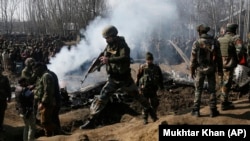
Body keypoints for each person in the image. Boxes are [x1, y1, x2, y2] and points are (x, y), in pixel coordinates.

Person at [79, 25, 157, 129]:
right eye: (105, 38)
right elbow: (105, 56)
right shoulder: (109, 46)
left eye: (108, 38)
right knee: (102, 98)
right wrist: (99, 64)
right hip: (113, 79)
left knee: (138, 97)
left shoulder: (123, 45)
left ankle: (153, 115)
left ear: (114, 36)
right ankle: (91, 121)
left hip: (125, 79)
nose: (106, 40)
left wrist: (109, 60)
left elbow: (125, 58)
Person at [190, 24, 223, 117]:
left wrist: (192, 70)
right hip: (212, 68)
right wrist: (220, 69)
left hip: (200, 69)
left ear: (200, 32)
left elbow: (193, 59)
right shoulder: (215, 42)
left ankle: (196, 110)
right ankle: (213, 110)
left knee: (198, 89)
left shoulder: (197, 43)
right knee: (212, 89)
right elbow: (219, 58)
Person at [218, 23, 243, 110]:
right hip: (229, 64)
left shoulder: (220, 39)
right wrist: (238, 59)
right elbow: (240, 50)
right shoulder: (235, 38)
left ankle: (223, 100)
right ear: (234, 30)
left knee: (222, 82)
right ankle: (224, 104)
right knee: (227, 83)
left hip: (220, 64)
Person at [135, 52, 164, 124]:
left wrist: (161, 87)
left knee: (155, 103)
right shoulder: (142, 67)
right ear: (146, 60)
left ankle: (154, 117)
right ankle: (145, 119)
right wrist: (137, 87)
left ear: (152, 60)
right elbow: (138, 77)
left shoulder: (156, 68)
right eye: (148, 59)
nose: (149, 61)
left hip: (153, 89)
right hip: (144, 89)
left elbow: (160, 78)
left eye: (150, 59)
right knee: (145, 104)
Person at [32, 62, 56, 136]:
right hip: (43, 102)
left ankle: (51, 135)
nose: (34, 72)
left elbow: (48, 91)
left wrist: (43, 102)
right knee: (44, 120)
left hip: (47, 103)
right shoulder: (41, 76)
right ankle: (49, 134)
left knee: (45, 121)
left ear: (40, 69)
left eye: (35, 70)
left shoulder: (46, 76)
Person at [0, 68, 11, 132]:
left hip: (2, 99)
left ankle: (1, 125)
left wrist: (9, 97)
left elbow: (8, 88)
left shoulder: (4, 78)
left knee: (2, 113)